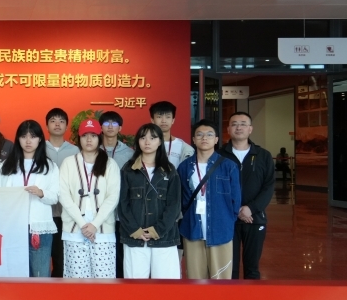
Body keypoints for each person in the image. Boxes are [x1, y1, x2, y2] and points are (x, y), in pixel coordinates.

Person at [178, 119, 241, 280]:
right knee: (195, 279)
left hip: (221, 230)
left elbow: (236, 200)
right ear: (193, 139)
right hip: (192, 229)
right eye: (199, 134)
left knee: (221, 280)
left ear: (216, 139)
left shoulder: (228, 166)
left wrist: (226, 221)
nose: (204, 138)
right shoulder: (184, 167)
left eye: (209, 134)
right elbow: (181, 199)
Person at [0, 120, 60, 277]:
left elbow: (55, 197)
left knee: (40, 275)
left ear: (40, 139)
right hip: (13, 227)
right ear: (18, 139)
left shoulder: (50, 166)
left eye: (33, 136)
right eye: (24, 136)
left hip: (39, 227)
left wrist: (41, 193)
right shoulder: (6, 166)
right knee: (16, 275)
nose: (28, 141)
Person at [118, 124, 181, 279]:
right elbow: (122, 204)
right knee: (135, 286)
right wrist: (135, 230)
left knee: (166, 287)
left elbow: (174, 205)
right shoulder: (128, 170)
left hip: (164, 238)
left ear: (160, 142)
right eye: (143, 137)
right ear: (138, 141)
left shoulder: (170, 171)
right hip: (135, 238)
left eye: (153, 138)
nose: (147, 142)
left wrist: (157, 230)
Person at [59, 119, 120, 279]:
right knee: (77, 281)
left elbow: (113, 197)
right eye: (85, 135)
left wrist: (94, 225)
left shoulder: (110, 164)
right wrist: (83, 225)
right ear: (79, 138)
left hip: (103, 231)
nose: (89, 139)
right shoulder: (68, 163)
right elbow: (64, 196)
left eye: (93, 135)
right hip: (74, 230)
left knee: (104, 280)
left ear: (99, 137)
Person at [219, 112, 275, 280]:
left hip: (255, 218)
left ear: (250, 129)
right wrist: (236, 210)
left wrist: (251, 208)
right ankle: (231, 297)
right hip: (228, 219)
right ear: (228, 129)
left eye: (243, 124)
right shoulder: (219, 155)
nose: (239, 127)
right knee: (230, 269)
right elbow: (216, 188)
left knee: (252, 269)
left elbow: (269, 186)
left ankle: (253, 297)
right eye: (234, 124)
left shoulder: (263, 155)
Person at [44, 108, 80, 278]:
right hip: (44, 212)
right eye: (53, 121)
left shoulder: (75, 151)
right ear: (46, 125)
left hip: (67, 214)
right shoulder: (39, 149)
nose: (57, 124)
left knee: (62, 257)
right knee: (43, 255)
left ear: (66, 126)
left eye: (61, 121)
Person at [100, 110, 134, 278]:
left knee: (120, 256)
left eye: (114, 123)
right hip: (99, 213)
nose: (110, 126)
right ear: (101, 127)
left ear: (120, 128)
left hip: (121, 213)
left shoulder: (130, 154)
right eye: (106, 123)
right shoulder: (93, 151)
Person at [150, 101, 193, 169]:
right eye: (159, 117)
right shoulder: (146, 144)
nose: (164, 121)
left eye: (168, 117)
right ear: (152, 120)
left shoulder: (183, 147)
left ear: (173, 120)